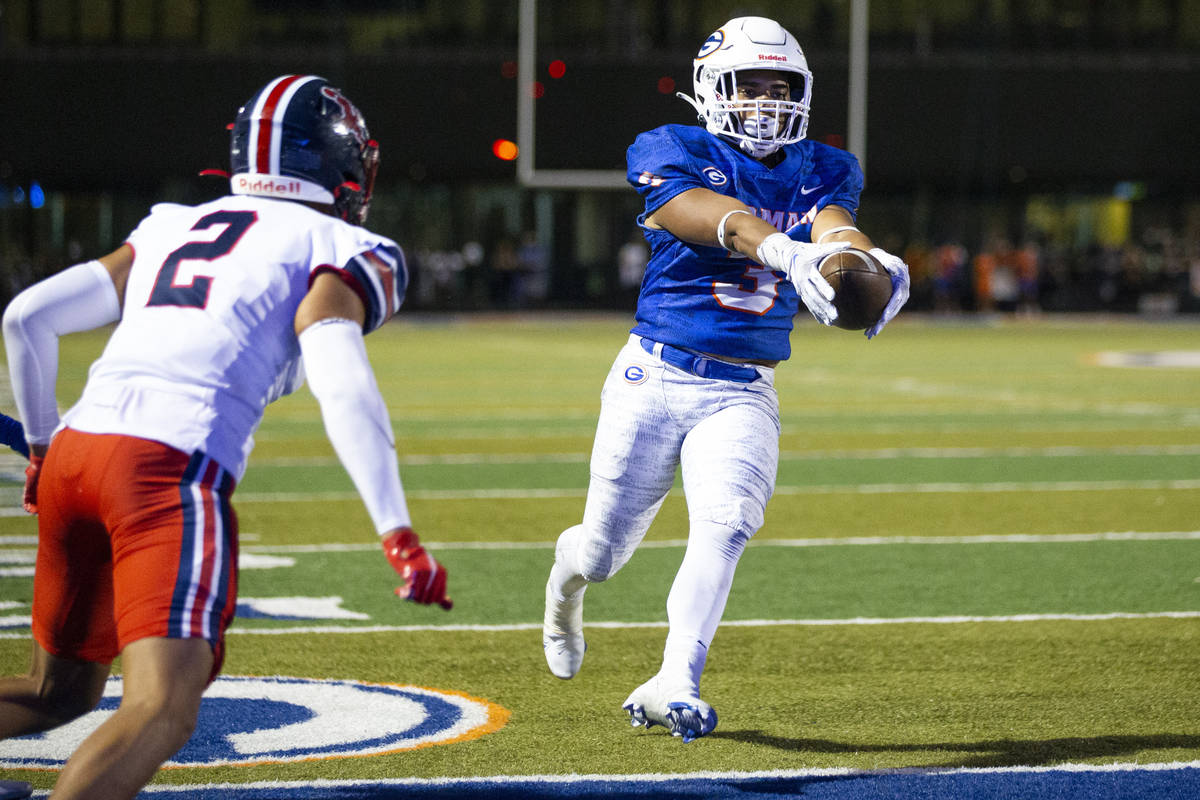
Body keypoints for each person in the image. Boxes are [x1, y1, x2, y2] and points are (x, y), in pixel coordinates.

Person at [0, 74, 451, 799]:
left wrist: (46, 447)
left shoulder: (169, 223)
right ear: (339, 162)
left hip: (78, 451)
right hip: (164, 470)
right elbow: (338, 370)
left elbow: (26, 318)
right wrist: (396, 528)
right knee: (162, 705)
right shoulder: (343, 241)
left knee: (56, 692)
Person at [542, 17, 910, 743]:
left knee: (727, 523)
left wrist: (868, 261)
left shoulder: (825, 166)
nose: (767, 102)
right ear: (714, 89)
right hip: (655, 374)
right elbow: (708, 217)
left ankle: (674, 676)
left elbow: (835, 225)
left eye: (781, 87)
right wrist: (783, 251)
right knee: (604, 554)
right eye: (751, 86)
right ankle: (564, 585)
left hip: (742, 387)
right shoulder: (672, 147)